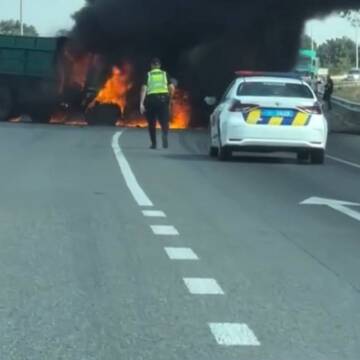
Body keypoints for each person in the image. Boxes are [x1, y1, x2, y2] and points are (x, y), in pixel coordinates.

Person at [140, 58, 175, 149]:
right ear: (159, 65)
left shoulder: (148, 74)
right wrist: (170, 98)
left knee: (152, 123)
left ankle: (154, 144)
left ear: (152, 65)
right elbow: (172, 88)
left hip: (151, 101)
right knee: (164, 121)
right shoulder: (164, 74)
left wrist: (141, 103)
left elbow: (144, 89)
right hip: (163, 100)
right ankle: (164, 133)